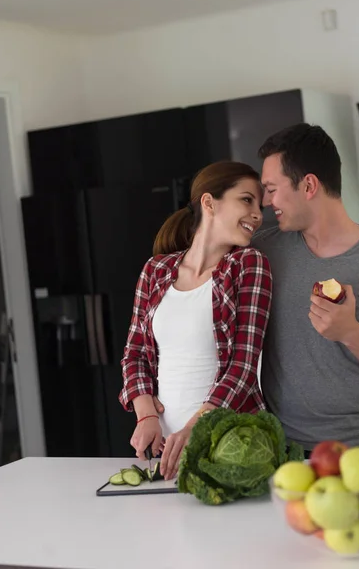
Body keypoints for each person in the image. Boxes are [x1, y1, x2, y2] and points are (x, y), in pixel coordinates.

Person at [251, 123, 359, 459]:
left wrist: (350, 333)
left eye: (272, 189)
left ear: (308, 185)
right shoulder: (261, 254)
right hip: (282, 451)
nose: (265, 201)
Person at [119, 161, 272, 479]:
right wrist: (146, 415)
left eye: (260, 205)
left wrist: (194, 429)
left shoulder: (247, 265)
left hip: (232, 444)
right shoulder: (156, 271)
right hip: (164, 454)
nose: (258, 214)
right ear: (209, 202)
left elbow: (243, 370)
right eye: (246, 200)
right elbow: (134, 355)